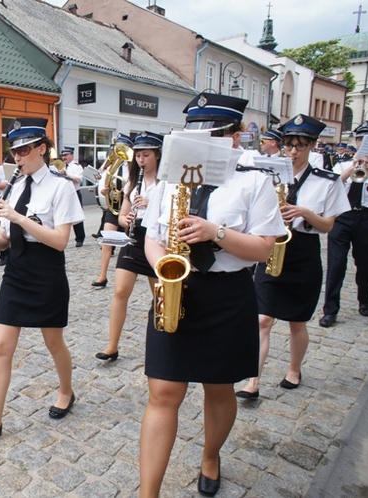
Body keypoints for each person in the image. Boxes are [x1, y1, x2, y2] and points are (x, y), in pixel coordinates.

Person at [138, 93, 286, 497]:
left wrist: (215, 232)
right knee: (163, 391)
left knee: (217, 387)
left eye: (215, 134)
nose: (202, 142)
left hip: (226, 294)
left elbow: (264, 249)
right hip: (177, 290)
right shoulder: (170, 181)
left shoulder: (254, 181)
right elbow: (152, 237)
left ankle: (210, 455)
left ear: (235, 137)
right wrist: (162, 269)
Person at [0, 117, 84, 444]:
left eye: (24, 150)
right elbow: (4, 241)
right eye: (14, 151)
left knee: (53, 341)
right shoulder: (15, 187)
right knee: (2, 346)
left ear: (42, 149)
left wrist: (18, 218)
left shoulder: (60, 186)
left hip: (47, 272)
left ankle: (66, 391)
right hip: (15, 271)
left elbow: (60, 241)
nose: (18, 157)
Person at [237, 115, 350, 400]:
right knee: (262, 320)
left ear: (312, 146)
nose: (294, 152)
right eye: (289, 145)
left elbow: (328, 226)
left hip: (303, 252)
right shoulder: (267, 176)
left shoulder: (327, 181)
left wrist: (304, 213)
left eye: (301, 145)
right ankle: (253, 380)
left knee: (296, 322)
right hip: (271, 249)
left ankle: (294, 369)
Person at [95, 131, 161, 362]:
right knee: (120, 291)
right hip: (134, 239)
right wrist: (128, 219)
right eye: (139, 155)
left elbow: (172, 214)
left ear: (157, 155)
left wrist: (151, 205)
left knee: (160, 296)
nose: (141, 159)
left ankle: (164, 342)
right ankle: (112, 346)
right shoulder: (134, 182)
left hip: (156, 239)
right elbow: (121, 216)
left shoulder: (167, 184)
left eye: (146, 155)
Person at [319, 121, 368, 327]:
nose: (361, 143)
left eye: (366, 140)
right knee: (336, 263)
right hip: (343, 216)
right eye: (359, 139)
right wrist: (352, 168)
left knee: (365, 263)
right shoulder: (342, 163)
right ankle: (330, 310)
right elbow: (331, 187)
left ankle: (364, 299)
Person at [92, 134, 133, 287]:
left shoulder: (134, 167)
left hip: (128, 208)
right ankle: (102, 276)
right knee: (107, 241)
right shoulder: (111, 167)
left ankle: (127, 274)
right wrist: (105, 192)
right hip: (114, 208)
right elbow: (103, 185)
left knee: (129, 243)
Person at [60, 147, 85, 247]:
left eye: (66, 155)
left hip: (74, 193)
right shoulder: (60, 166)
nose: (64, 157)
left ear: (72, 155)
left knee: (77, 217)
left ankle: (80, 238)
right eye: (63, 155)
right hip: (63, 194)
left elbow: (78, 179)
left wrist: (66, 174)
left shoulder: (76, 166)